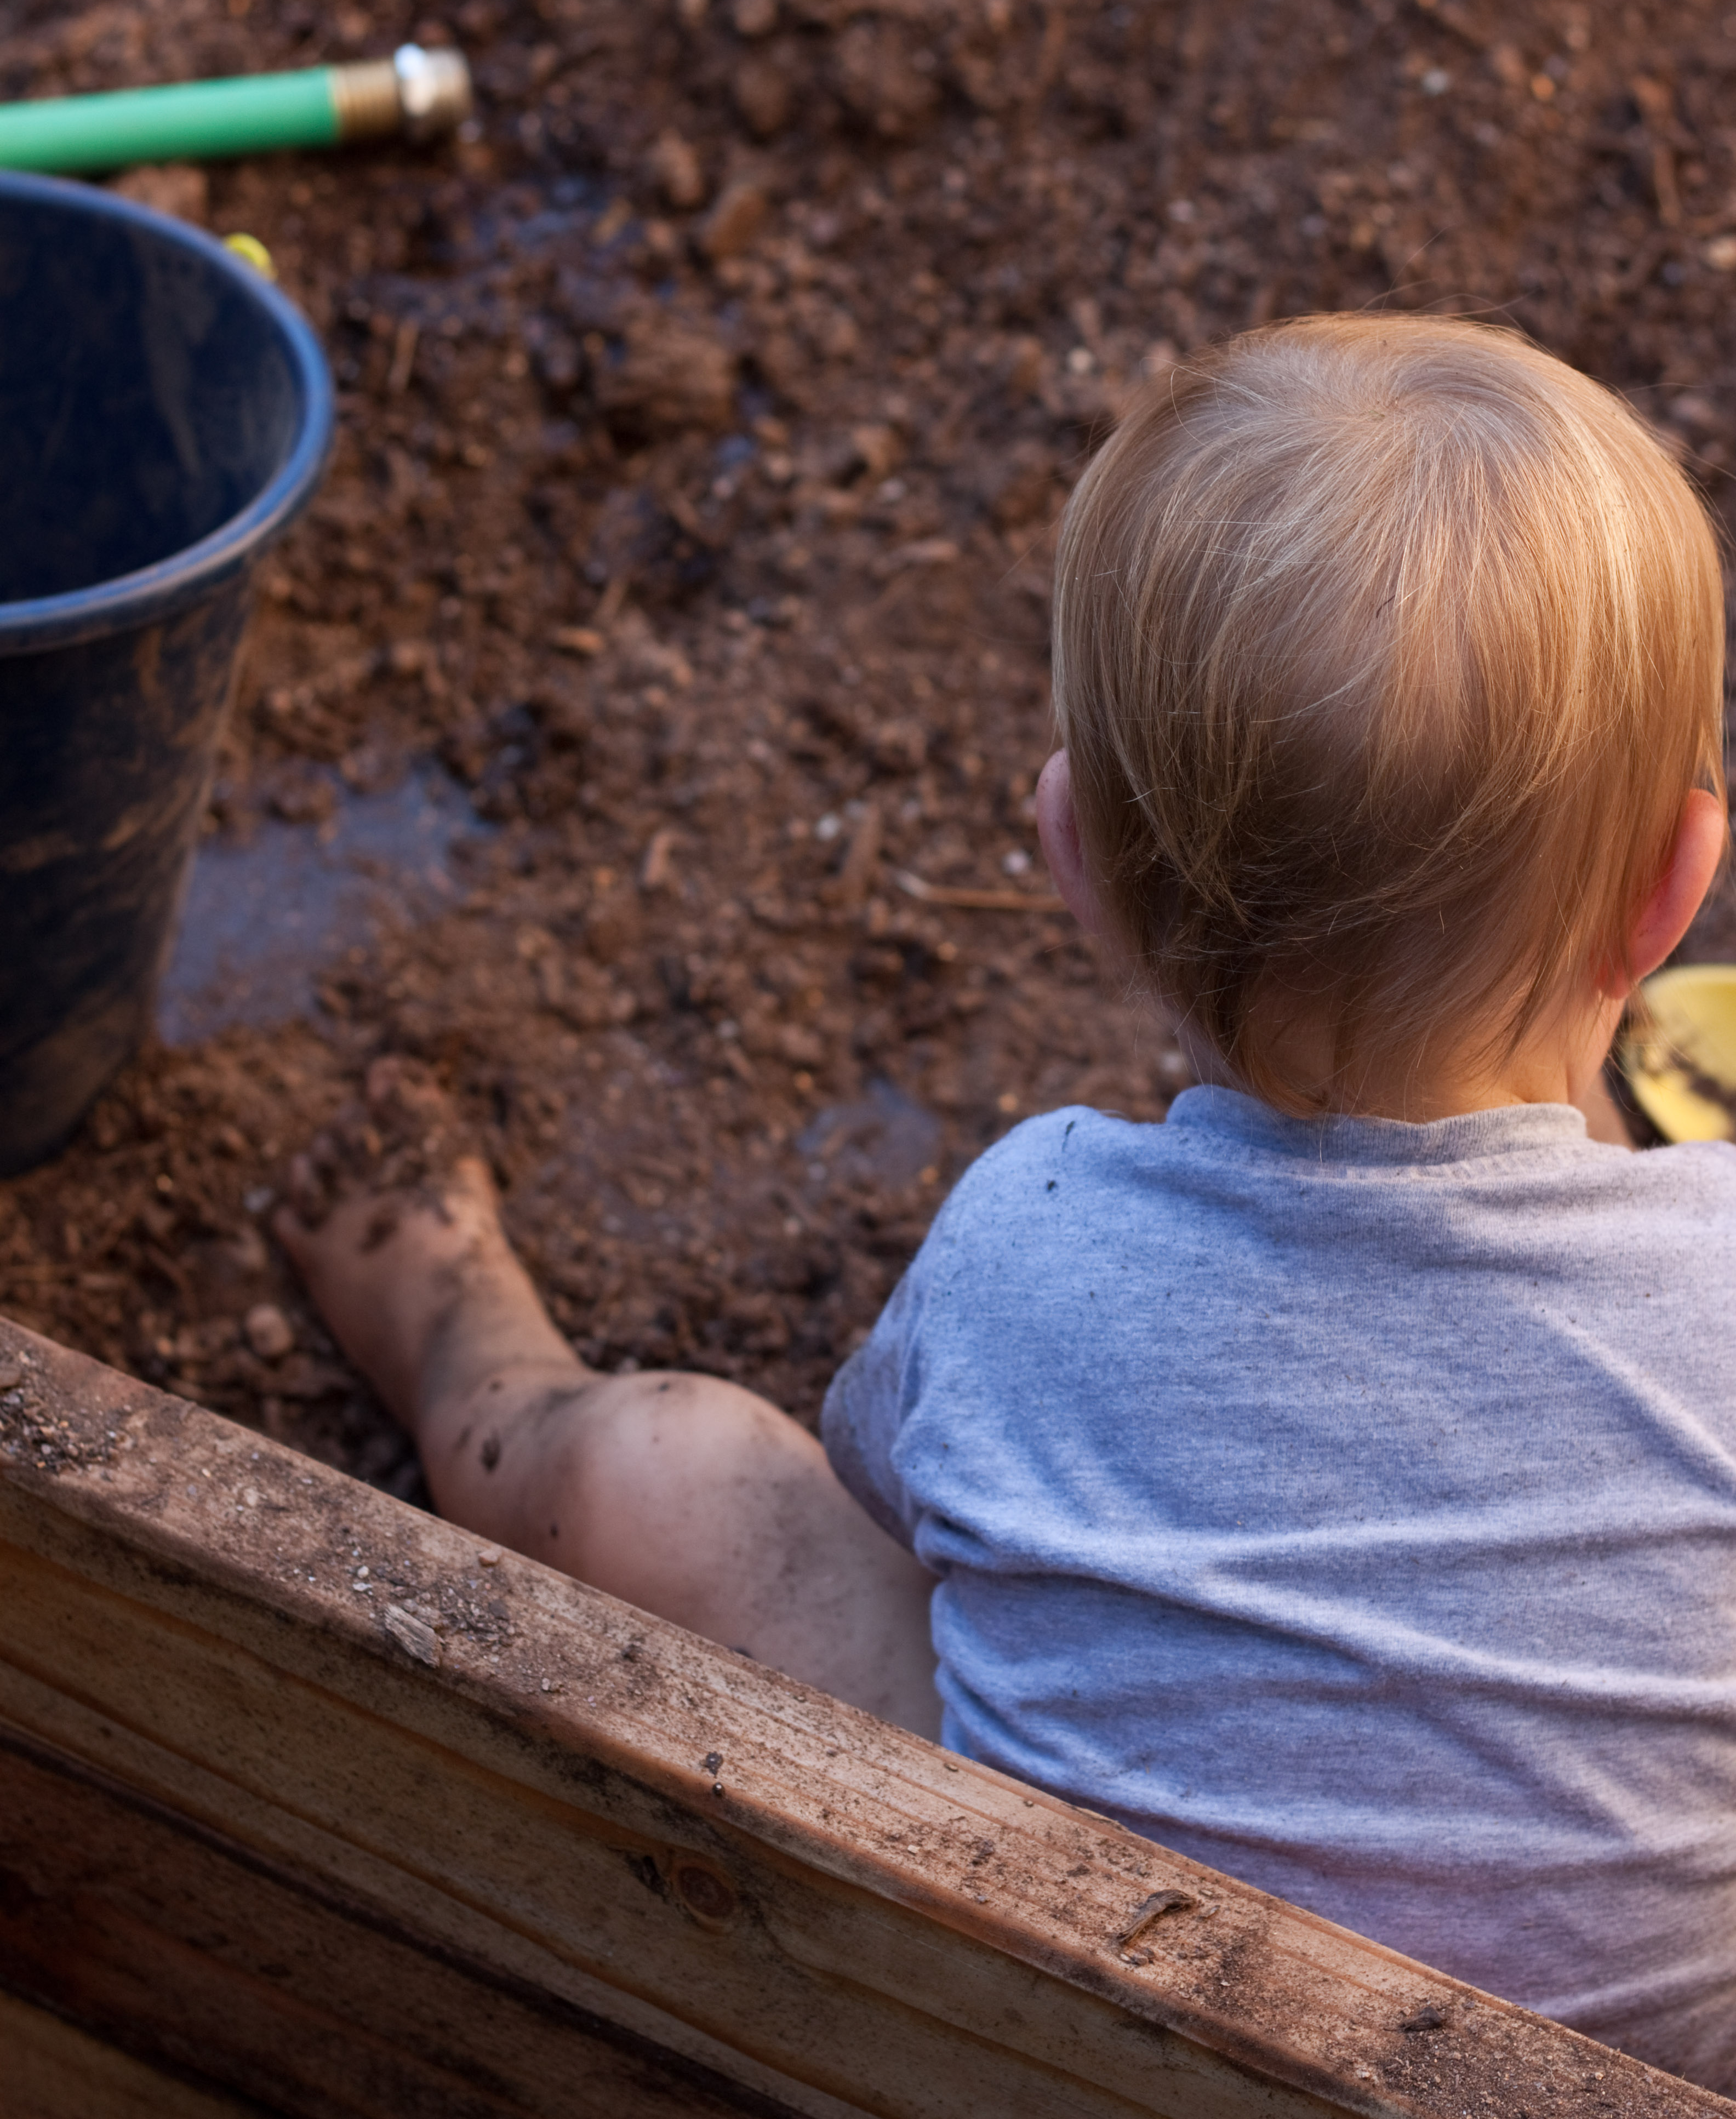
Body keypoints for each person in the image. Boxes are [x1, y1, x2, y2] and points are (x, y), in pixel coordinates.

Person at [279, 312, 1736, 2088]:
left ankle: (453, 1334)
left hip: (1044, 2052)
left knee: (668, 1475)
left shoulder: (1026, 1235)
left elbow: (896, 1511)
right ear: (1676, 889)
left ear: (1075, 864)